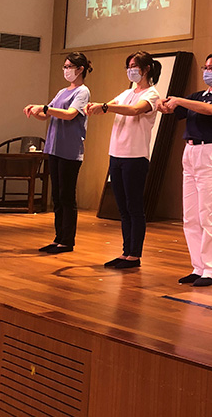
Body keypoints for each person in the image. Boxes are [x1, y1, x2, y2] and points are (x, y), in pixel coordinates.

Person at [159, 53, 212, 288]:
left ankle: (211, 270)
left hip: (211, 153)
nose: (206, 71)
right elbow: (173, 110)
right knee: (191, 216)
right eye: (205, 67)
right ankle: (198, 266)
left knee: (209, 215)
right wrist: (165, 105)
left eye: (211, 68)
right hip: (191, 153)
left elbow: (211, 111)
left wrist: (180, 101)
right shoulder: (199, 95)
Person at [86, 51, 162, 269]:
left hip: (135, 157)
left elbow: (134, 110)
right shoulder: (127, 92)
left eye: (134, 66)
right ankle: (125, 251)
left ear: (146, 69)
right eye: (128, 66)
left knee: (134, 207)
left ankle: (134, 255)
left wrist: (106, 107)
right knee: (122, 208)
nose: (130, 70)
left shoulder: (152, 94)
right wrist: (95, 106)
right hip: (116, 155)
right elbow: (109, 105)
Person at [24, 53, 92, 254]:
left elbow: (70, 114)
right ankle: (58, 237)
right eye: (65, 66)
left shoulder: (83, 91)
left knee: (66, 195)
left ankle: (67, 240)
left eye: (69, 66)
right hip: (54, 148)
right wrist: (36, 111)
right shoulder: (62, 91)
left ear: (80, 69)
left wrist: (45, 108)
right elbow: (47, 114)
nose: (66, 70)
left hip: (69, 150)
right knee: (57, 196)